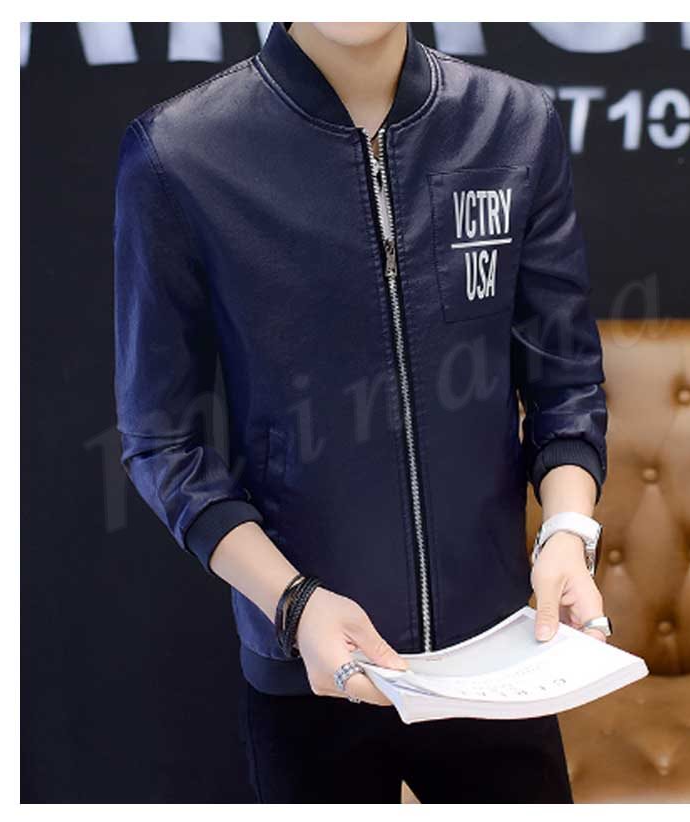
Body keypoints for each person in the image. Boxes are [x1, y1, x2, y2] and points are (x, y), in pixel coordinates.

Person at [114, 21, 610, 803]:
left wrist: (568, 531)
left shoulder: (513, 122)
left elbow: (565, 380)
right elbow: (160, 441)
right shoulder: (180, 153)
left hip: (498, 654)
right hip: (306, 667)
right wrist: (293, 605)